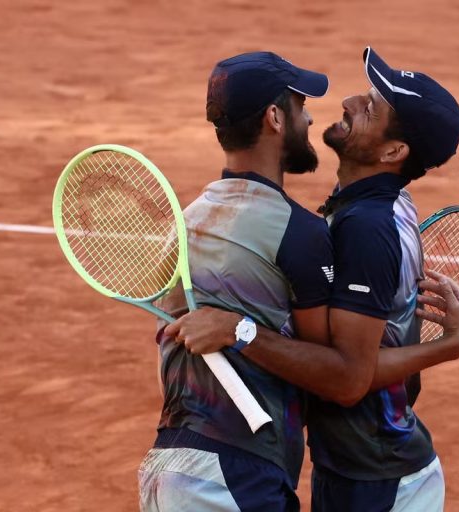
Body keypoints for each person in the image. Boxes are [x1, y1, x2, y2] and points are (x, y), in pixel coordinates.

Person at [165, 47, 459, 511]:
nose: (348, 102)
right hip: (356, 468)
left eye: (371, 108)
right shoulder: (374, 208)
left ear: (393, 151)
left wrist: (239, 329)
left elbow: (348, 375)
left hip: (377, 476)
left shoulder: (365, 227)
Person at [137, 51, 334, 512]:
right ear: (274, 118)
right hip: (235, 478)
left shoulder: (187, 223)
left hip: (172, 467)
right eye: (300, 105)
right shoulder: (299, 233)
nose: (308, 116)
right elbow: (331, 376)